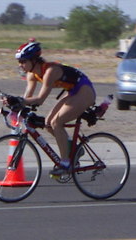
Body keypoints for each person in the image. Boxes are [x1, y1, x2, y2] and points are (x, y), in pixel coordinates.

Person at [13, 41, 96, 175]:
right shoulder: (31, 74)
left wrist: (19, 101)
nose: (20, 65)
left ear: (34, 60)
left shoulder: (50, 71)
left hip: (84, 90)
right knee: (48, 123)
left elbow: (40, 100)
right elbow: (27, 98)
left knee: (57, 122)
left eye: (23, 61)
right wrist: (14, 103)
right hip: (73, 91)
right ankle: (74, 149)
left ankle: (65, 163)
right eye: (19, 62)